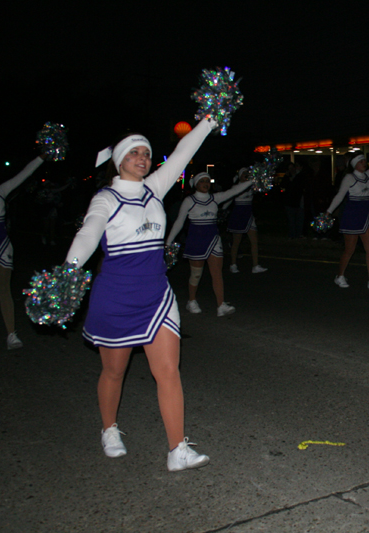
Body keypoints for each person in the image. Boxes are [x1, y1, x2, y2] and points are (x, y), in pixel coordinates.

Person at [65, 118, 216, 471]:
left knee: (168, 371)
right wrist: (68, 272)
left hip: (156, 295)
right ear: (118, 160)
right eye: (133, 152)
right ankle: (109, 428)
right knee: (114, 372)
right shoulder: (105, 198)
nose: (142, 158)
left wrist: (210, 119)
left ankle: (177, 449)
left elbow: (184, 151)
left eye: (146, 153)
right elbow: (88, 236)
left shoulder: (154, 188)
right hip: (116, 297)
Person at [166, 171, 254, 316]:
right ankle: (191, 301)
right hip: (196, 239)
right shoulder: (190, 200)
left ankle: (221, 305)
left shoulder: (215, 198)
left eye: (207, 181)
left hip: (213, 239)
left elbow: (234, 191)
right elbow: (179, 221)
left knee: (217, 273)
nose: (206, 183)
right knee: (196, 274)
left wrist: (252, 181)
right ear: (196, 184)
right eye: (202, 181)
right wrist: (169, 241)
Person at [0, 156, 45, 349]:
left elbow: (25, 173)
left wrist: (41, 157)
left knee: (3, 290)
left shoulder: (1, 191)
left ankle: (11, 334)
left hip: (1, 245)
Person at [326, 148, 369, 288]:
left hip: (366, 216)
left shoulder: (368, 175)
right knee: (349, 250)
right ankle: (339, 276)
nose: (364, 163)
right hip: (352, 216)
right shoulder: (349, 178)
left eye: (364, 160)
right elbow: (339, 196)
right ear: (354, 164)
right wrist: (328, 212)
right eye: (361, 161)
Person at [226, 167, 267, 274]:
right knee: (236, 242)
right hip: (238, 214)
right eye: (244, 173)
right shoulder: (236, 187)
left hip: (248, 214)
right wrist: (222, 210)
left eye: (247, 173)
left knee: (254, 241)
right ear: (239, 176)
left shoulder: (252, 186)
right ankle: (233, 264)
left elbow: (263, 188)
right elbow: (228, 200)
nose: (246, 175)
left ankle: (255, 265)